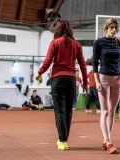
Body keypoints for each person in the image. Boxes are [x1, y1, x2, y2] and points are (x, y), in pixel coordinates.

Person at [36, 20, 88, 150]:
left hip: (57, 78)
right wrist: (85, 83)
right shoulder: (77, 45)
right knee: (68, 111)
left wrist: (40, 72)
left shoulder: (54, 43)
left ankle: (62, 140)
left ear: (57, 30)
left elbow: (47, 61)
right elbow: (83, 65)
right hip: (71, 79)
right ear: (70, 30)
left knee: (59, 110)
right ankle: (64, 139)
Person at [93, 18, 120, 154]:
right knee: (105, 111)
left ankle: (106, 139)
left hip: (117, 78)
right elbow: (95, 63)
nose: (113, 30)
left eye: (115, 28)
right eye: (111, 28)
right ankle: (108, 141)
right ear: (106, 28)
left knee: (113, 111)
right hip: (104, 78)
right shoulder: (98, 43)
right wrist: (96, 81)